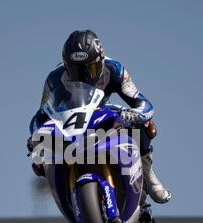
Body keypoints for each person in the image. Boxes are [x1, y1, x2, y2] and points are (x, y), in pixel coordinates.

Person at [28, 30, 171, 208]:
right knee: (39, 157)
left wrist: (136, 114)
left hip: (102, 113)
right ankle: (65, 191)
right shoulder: (54, 78)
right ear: (66, 65)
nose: (84, 75)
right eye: (75, 69)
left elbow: (143, 102)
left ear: (101, 61)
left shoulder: (115, 69)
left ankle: (148, 175)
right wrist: (36, 137)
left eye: (91, 68)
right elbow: (41, 114)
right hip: (70, 121)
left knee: (142, 124)